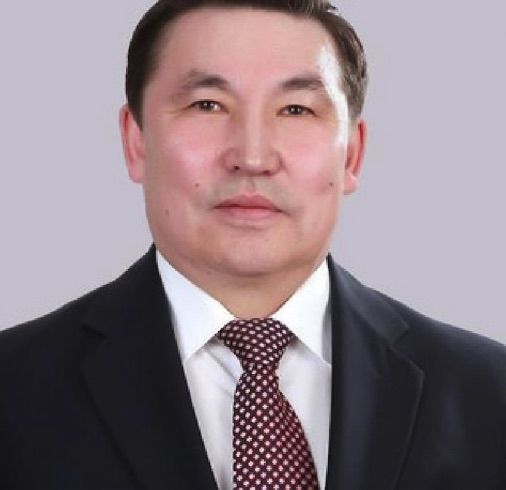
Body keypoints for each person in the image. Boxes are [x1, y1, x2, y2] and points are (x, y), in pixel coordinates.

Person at [0, 0, 504, 488]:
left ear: (351, 154)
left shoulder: (488, 393)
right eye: (207, 105)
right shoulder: (15, 390)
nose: (253, 156)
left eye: (296, 109)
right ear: (137, 142)